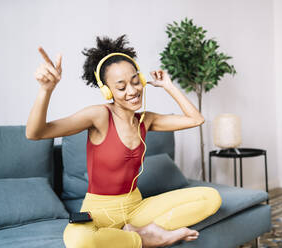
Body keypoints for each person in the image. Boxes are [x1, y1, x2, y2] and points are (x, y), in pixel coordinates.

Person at [26, 35, 222, 248]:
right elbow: (35, 133)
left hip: (136, 208)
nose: (132, 91)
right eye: (121, 87)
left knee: (211, 198)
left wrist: (168, 85)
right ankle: (144, 239)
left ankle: (142, 231)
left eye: (136, 81)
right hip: (99, 211)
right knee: (80, 241)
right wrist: (46, 90)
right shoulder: (99, 116)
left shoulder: (147, 119)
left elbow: (196, 119)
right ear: (107, 91)